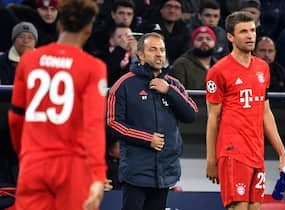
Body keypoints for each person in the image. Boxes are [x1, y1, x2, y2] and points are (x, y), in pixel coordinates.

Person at [8, 0, 107, 209]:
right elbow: (93, 125)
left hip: (33, 161)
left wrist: (25, 154)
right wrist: (98, 175)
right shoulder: (93, 67)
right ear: (88, 30)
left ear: (59, 25)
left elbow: (15, 118)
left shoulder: (29, 60)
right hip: (73, 166)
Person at [205, 11, 285, 210]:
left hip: (256, 151)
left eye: (252, 30)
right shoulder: (218, 71)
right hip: (233, 152)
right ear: (230, 37)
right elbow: (213, 118)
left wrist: (283, 154)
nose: (250, 36)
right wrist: (211, 159)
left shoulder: (262, 68)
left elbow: (265, 112)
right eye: (243, 31)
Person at [107, 32, 198, 210]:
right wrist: (146, 138)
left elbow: (192, 114)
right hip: (136, 171)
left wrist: (169, 91)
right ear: (140, 54)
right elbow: (112, 122)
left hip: (165, 170)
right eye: (153, 49)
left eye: (162, 50)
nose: (159, 54)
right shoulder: (124, 84)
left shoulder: (173, 84)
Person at [171, 25, 217, 90]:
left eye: (208, 39)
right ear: (193, 43)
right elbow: (177, 93)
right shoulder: (181, 64)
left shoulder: (219, 66)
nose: (204, 41)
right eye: (199, 39)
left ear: (214, 43)